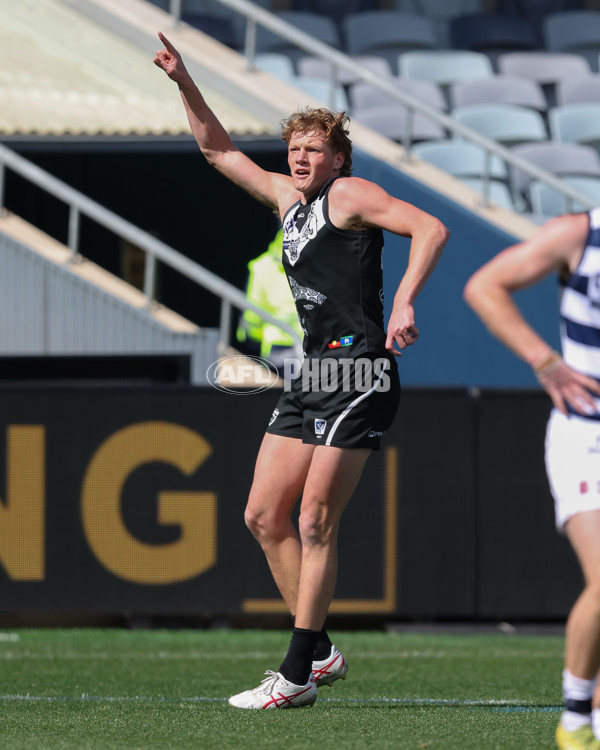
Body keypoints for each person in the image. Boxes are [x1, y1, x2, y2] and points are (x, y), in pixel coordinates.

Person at [154, 31, 449, 710]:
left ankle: (294, 676)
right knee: (263, 516)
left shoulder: (350, 196)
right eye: (296, 148)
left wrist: (405, 301)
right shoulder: (290, 203)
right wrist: (183, 82)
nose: (301, 156)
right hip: (316, 373)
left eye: (314, 149)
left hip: (361, 370)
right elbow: (217, 150)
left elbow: (432, 228)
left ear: (338, 158)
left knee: (315, 520)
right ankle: (321, 651)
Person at [464, 209, 600, 750]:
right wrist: (545, 362)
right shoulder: (580, 233)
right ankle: (574, 721)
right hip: (587, 436)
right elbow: (485, 287)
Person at [236, 227, 303, 375]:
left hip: (275, 351)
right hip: (315, 348)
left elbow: (252, 317)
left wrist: (254, 340)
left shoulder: (261, 265)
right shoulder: (321, 263)